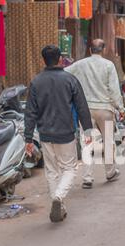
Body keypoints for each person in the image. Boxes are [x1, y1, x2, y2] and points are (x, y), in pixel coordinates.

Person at [25, 45, 93, 223]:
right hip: (66, 132)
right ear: (60, 59)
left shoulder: (36, 82)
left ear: (43, 60)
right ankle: (58, 197)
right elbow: (81, 106)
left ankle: (59, 205)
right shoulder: (70, 79)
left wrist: (28, 138)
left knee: (52, 171)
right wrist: (88, 130)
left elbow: (30, 112)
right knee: (69, 168)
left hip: (45, 133)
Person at [65, 39, 125, 189]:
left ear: (90, 50)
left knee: (87, 143)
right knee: (109, 141)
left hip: (85, 110)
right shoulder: (108, 65)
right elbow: (114, 89)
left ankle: (87, 177)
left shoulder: (80, 64)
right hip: (105, 109)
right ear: (103, 50)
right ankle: (110, 172)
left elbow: (64, 73)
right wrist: (121, 108)